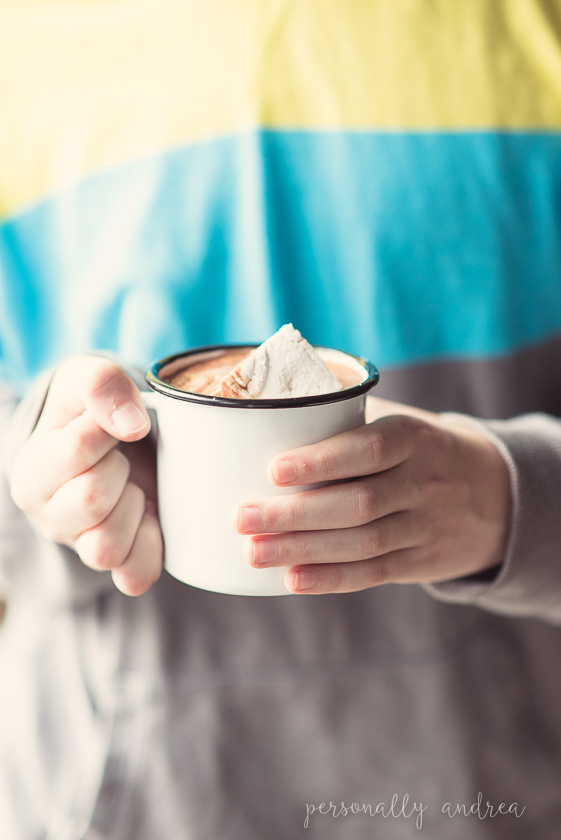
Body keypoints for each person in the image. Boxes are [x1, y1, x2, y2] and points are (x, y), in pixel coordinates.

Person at [1, 1, 561, 837]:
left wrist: (509, 499)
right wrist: (55, 475)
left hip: (496, 798)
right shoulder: (19, 50)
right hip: (128, 806)